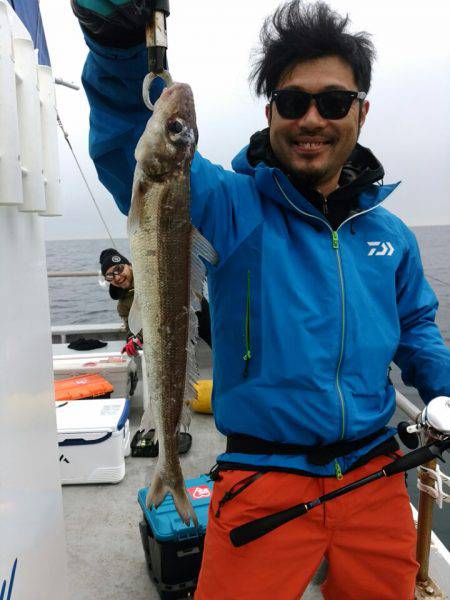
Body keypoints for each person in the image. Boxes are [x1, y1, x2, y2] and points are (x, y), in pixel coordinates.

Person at [72, 1, 450, 598]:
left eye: (333, 102)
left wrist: (443, 388)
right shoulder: (227, 203)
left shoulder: (391, 234)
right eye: (293, 101)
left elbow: (417, 326)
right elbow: (131, 152)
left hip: (376, 477)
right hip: (261, 477)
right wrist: (116, 46)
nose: (312, 119)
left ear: (362, 111)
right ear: (270, 109)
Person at [100, 248, 212, 356]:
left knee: (218, 339)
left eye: (119, 269)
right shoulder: (123, 306)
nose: (117, 277)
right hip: (169, 329)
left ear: (129, 265)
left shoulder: (150, 275)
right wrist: (133, 339)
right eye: (110, 275)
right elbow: (133, 328)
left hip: (193, 308)